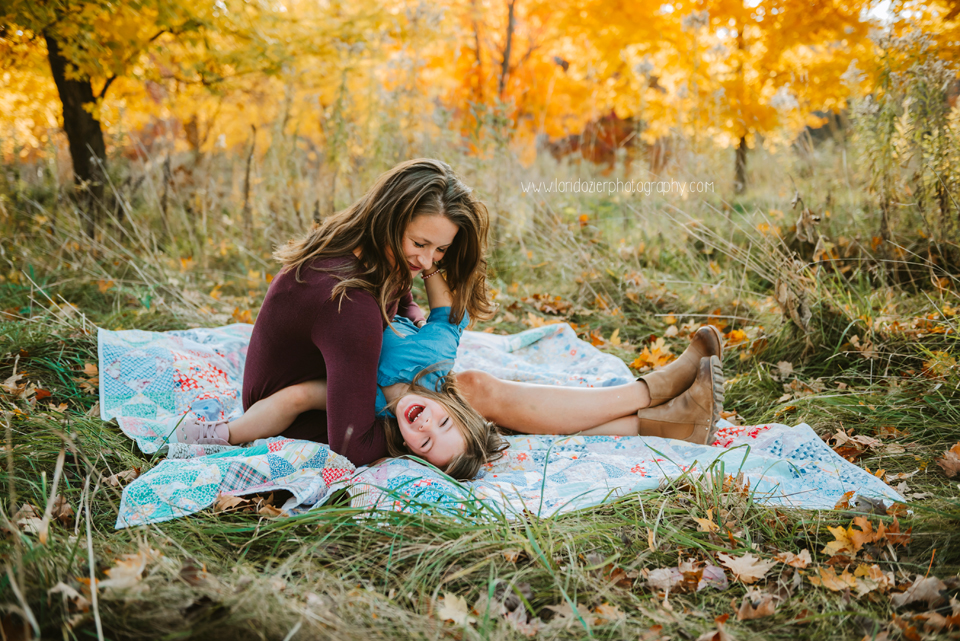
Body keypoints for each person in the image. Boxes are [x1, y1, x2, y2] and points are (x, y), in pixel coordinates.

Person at [174, 159, 494, 467]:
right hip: (297, 412)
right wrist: (421, 442)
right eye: (420, 244)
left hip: (335, 378)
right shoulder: (351, 305)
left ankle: (464, 432)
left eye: (440, 251)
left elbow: (404, 297)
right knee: (470, 404)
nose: (427, 263)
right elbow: (352, 446)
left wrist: (418, 324)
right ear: (389, 218)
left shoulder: (368, 250)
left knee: (471, 399)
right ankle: (223, 434)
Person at [179, 259, 507, 480]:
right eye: (443, 422)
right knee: (388, 276)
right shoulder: (433, 357)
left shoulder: (376, 411)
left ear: (408, 449)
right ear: (453, 407)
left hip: (347, 359)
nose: (425, 425)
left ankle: (221, 433)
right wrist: (429, 265)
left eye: (424, 443)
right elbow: (449, 314)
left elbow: (299, 398)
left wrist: (232, 433)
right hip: (367, 303)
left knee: (300, 397)